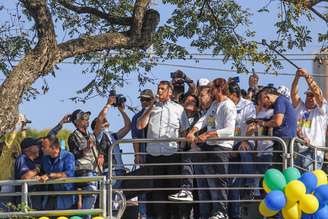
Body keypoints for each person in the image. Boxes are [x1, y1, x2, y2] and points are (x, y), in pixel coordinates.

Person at [137, 80, 190, 219]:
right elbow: (140, 125)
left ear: (170, 92)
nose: (159, 92)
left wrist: (182, 149)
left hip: (171, 154)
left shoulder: (178, 108)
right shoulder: (151, 107)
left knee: (173, 191)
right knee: (156, 193)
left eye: (162, 89)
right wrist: (150, 107)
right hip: (153, 156)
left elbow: (185, 130)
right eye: (158, 89)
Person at [187, 78, 237, 219]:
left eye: (212, 89)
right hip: (210, 146)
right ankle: (210, 213)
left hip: (222, 147)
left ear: (219, 89)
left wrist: (208, 134)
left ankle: (221, 212)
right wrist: (193, 130)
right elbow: (205, 119)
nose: (210, 91)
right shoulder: (215, 104)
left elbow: (229, 130)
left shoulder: (229, 105)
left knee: (219, 182)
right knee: (208, 182)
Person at [227, 82, 256, 219]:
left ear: (234, 95)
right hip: (230, 146)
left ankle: (250, 184)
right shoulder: (226, 105)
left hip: (245, 142)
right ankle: (234, 215)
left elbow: (252, 125)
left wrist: (244, 140)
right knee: (233, 185)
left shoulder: (247, 105)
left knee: (243, 150)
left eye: (228, 96)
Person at [291, 68, 328, 170]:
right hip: (298, 150)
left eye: (312, 96)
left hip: (314, 151)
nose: (310, 97)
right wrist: (297, 77)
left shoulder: (322, 109)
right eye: (308, 95)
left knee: (310, 181)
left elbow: (317, 93)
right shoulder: (300, 107)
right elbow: (293, 94)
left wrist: (307, 76)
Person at [68, 109, 102, 218]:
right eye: (83, 118)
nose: (87, 120)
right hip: (83, 170)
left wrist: (101, 156)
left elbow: (99, 149)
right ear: (76, 122)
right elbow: (74, 154)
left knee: (94, 197)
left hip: (95, 170)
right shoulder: (73, 136)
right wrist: (86, 148)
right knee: (91, 195)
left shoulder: (91, 135)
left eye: (87, 117)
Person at [91, 93, 131, 179]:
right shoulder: (97, 136)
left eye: (106, 119)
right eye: (104, 120)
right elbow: (100, 119)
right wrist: (108, 104)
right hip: (108, 172)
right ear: (96, 128)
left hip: (120, 170)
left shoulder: (112, 136)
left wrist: (122, 110)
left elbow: (128, 126)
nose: (105, 120)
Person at [257, 86, 297, 170]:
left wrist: (263, 123)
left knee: (280, 170)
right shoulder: (282, 101)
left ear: (266, 97)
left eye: (264, 104)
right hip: (285, 141)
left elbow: (277, 122)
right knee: (282, 169)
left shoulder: (280, 100)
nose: (265, 107)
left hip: (284, 141)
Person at [131, 89, 154, 219]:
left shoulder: (157, 113)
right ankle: (143, 214)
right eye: (142, 99)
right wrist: (137, 155)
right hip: (144, 155)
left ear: (152, 100)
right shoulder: (137, 117)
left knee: (157, 185)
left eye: (147, 99)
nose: (144, 102)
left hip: (159, 155)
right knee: (144, 185)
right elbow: (135, 137)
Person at [38, 135, 75, 210]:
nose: (42, 149)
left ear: (54, 148)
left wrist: (50, 175)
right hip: (48, 197)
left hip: (65, 197)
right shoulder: (44, 158)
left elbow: (69, 173)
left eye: (44, 147)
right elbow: (42, 172)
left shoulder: (68, 156)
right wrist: (38, 176)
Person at [0, 114, 27, 211]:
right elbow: (9, 141)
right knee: (5, 212)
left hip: (16, 184)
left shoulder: (14, 149)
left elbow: (24, 142)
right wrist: (16, 126)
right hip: (6, 185)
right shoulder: (4, 153)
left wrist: (23, 127)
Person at [14, 137, 42, 209]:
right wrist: (37, 169)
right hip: (24, 200)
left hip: (33, 199)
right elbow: (25, 177)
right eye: (36, 146)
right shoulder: (22, 159)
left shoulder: (33, 161)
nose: (38, 147)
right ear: (28, 149)